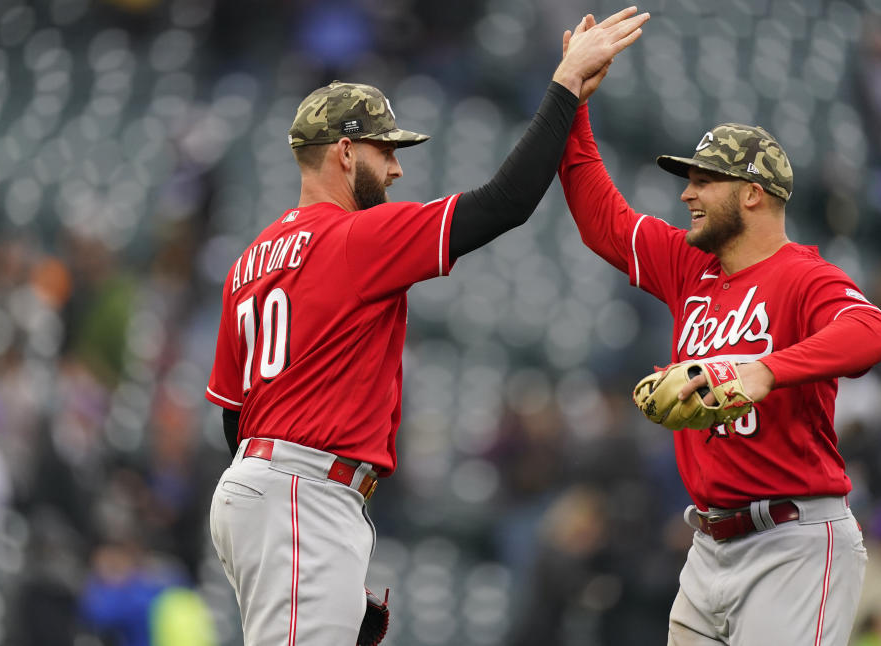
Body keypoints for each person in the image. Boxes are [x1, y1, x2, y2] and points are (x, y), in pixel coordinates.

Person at [203, 7, 649, 645]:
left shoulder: (249, 262)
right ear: (345, 150)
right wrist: (565, 87)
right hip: (303, 493)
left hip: (259, 488)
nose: (396, 169)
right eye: (385, 150)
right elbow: (505, 202)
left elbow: (232, 417)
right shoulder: (358, 236)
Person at [556, 18, 881, 646]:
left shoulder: (804, 276)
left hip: (794, 544)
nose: (687, 194)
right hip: (708, 546)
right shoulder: (690, 265)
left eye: (705, 180)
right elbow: (602, 220)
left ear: (754, 194)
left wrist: (763, 369)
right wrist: (575, 101)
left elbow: (868, 331)